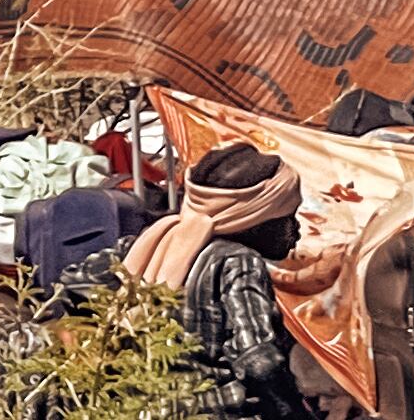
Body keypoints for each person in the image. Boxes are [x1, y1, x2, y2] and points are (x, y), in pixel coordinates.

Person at [123, 142, 305, 420]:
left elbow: (78, 285)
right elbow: (259, 361)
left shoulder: (153, 246)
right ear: (253, 218)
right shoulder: (237, 261)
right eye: (288, 217)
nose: (297, 231)